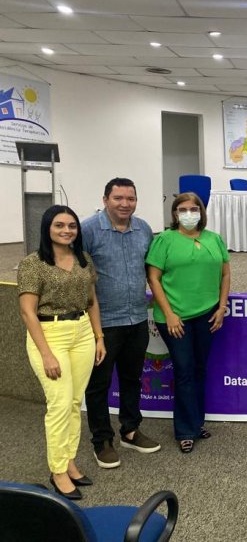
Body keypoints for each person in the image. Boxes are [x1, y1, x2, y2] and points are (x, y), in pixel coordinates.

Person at [18, 205, 106, 500]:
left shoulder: (84, 259)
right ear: (47, 228)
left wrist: (98, 337)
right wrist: (45, 354)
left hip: (81, 331)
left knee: (73, 402)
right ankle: (57, 471)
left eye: (71, 226)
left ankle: (68, 460)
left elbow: (92, 302)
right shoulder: (34, 263)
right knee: (58, 404)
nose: (67, 230)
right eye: (59, 225)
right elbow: (28, 313)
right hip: (49, 334)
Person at [82, 177, 161, 469]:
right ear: (105, 200)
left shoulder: (143, 229)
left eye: (130, 198)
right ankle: (102, 440)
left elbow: (152, 269)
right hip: (103, 322)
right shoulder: (88, 229)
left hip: (137, 318)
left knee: (131, 378)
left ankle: (129, 429)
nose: (125, 204)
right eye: (118, 198)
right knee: (99, 383)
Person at [146, 192, 230, 453]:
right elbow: (154, 278)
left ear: (201, 211)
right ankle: (184, 430)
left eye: (194, 208)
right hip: (175, 319)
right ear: (175, 214)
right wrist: (169, 314)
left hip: (208, 315)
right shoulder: (165, 240)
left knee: (199, 369)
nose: (189, 213)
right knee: (184, 372)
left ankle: (197, 422)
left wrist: (222, 306)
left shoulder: (214, 239)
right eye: (183, 209)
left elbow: (225, 273)